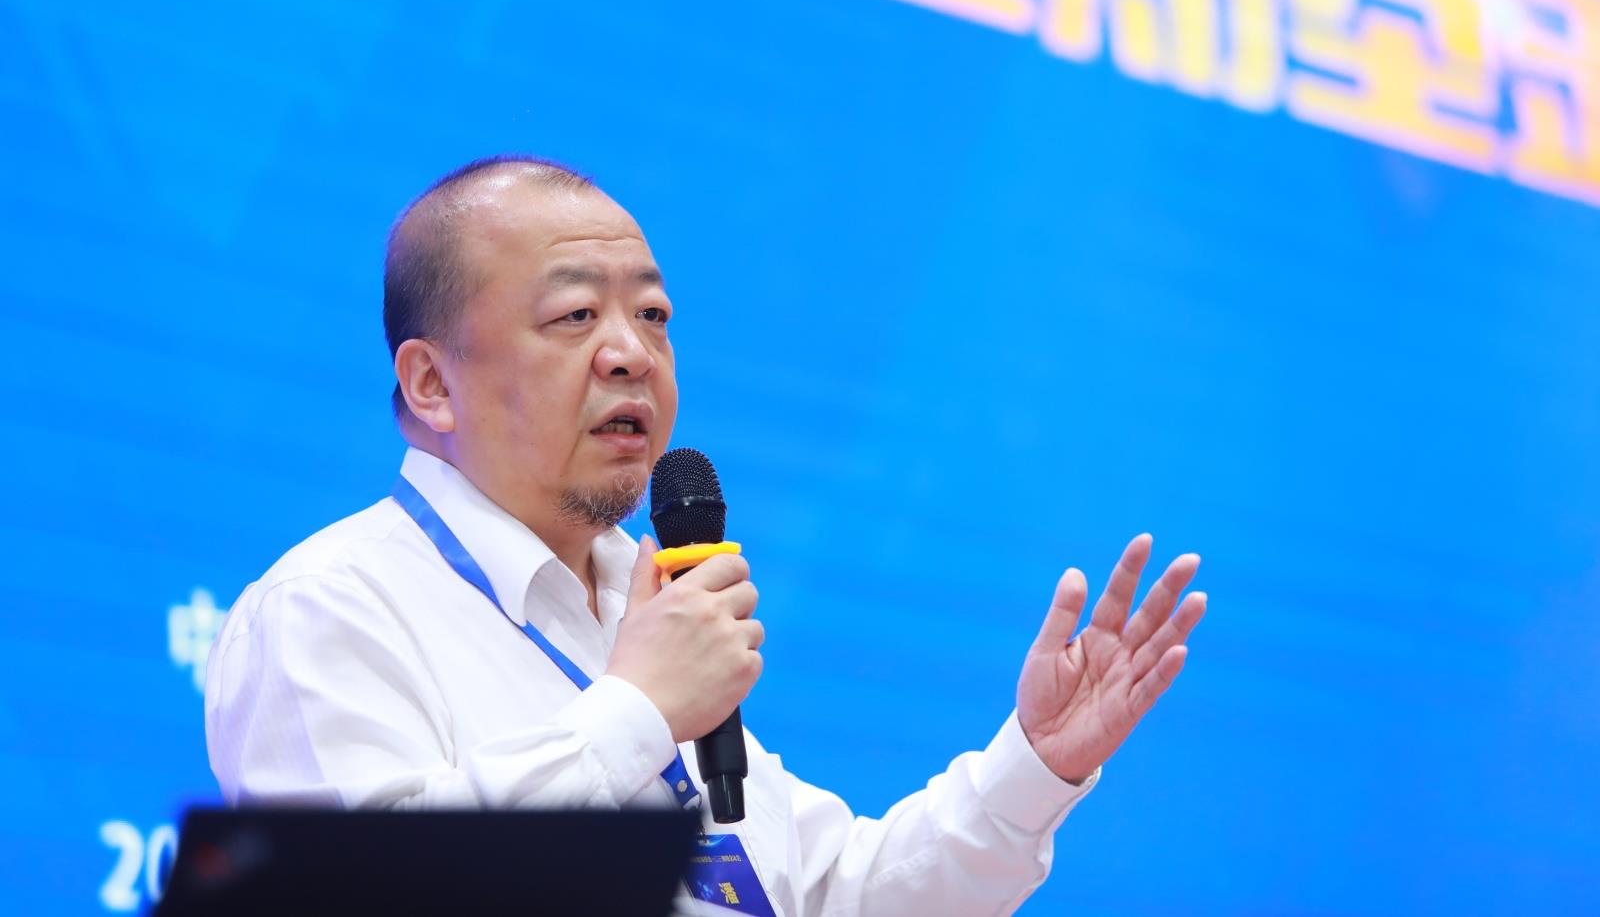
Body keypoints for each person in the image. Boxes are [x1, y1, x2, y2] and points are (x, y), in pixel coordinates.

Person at [205, 156, 1207, 916]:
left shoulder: (641, 603)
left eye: (652, 314)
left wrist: (1035, 764)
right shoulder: (330, 606)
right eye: (574, 315)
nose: (631, 353)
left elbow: (837, 894)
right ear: (432, 382)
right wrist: (636, 710)